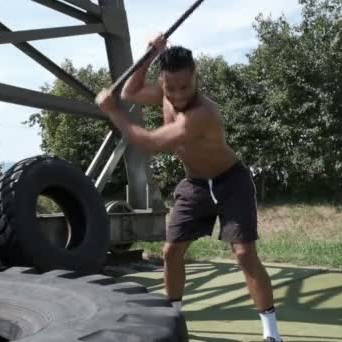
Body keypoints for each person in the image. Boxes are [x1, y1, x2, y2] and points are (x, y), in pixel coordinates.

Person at [95, 33, 283, 342]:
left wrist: (112, 112)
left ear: (196, 75)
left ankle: (271, 334)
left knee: (244, 253)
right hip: (194, 185)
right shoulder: (166, 94)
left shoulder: (202, 113)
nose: (178, 95)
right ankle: (174, 320)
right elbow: (131, 91)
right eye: (171, 87)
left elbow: (151, 142)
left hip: (230, 182)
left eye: (185, 86)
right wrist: (150, 54)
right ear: (163, 81)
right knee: (171, 251)